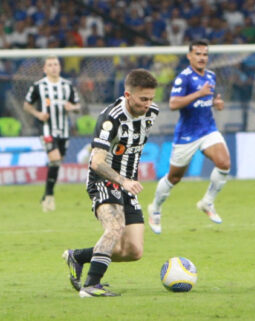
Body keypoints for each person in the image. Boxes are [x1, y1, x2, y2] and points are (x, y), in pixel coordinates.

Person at [62, 69, 159, 297]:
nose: (148, 104)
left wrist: (128, 179)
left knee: (133, 251)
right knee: (114, 228)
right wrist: (122, 180)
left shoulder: (151, 113)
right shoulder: (110, 119)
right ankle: (91, 285)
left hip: (127, 184)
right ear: (128, 94)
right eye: (143, 99)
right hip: (104, 180)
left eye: (151, 98)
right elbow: (96, 162)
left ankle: (78, 256)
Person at [147, 39, 230, 234]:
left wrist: (215, 103)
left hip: (208, 129)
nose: (202, 58)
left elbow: (206, 100)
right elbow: (174, 103)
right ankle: (155, 209)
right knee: (174, 177)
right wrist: (199, 94)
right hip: (187, 135)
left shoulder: (211, 76)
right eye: (198, 54)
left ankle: (207, 202)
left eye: (205, 54)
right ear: (189, 56)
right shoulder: (183, 78)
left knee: (224, 163)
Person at [23, 55, 80, 212]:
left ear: (60, 67)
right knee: (54, 159)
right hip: (47, 129)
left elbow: (78, 105)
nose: (54, 67)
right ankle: (49, 196)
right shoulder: (38, 86)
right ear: (45, 69)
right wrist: (38, 114)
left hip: (63, 130)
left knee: (57, 162)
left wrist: (73, 108)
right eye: (50, 65)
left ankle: (46, 195)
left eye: (56, 64)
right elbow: (27, 105)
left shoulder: (67, 86)